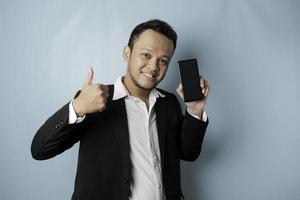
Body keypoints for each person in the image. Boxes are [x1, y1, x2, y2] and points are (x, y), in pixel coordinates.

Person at [31, 19, 210, 200]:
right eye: (146, 55)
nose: (154, 67)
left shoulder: (168, 102)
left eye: (163, 61)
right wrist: (78, 107)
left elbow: (188, 153)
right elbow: (39, 150)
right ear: (127, 53)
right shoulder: (94, 100)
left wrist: (194, 111)